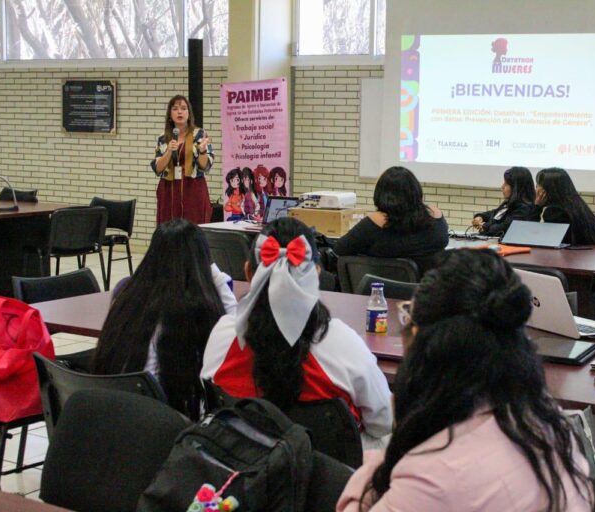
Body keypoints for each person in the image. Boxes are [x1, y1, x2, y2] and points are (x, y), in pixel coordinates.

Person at [337, 250, 592, 511]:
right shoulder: (551, 425)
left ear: (427, 345)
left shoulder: (434, 475)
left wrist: (370, 470)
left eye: (407, 317)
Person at [201, 217, 393, 448]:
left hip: (244, 469)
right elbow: (382, 423)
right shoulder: (344, 343)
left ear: (248, 273)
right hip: (328, 477)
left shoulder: (223, 334)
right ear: (317, 273)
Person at [91, 219, 237, 421]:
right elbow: (233, 329)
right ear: (201, 262)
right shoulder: (192, 307)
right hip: (160, 426)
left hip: (113, 416)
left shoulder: (126, 294)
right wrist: (213, 272)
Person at [334, 166, 449, 273]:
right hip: (428, 291)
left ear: (381, 194)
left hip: (380, 290)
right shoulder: (436, 218)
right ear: (416, 191)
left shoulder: (373, 223)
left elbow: (339, 250)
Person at [151, 95, 213, 225]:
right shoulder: (163, 138)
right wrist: (168, 151)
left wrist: (202, 151)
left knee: (193, 229)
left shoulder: (200, 134)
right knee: (168, 229)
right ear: (170, 114)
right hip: (169, 190)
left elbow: (205, 166)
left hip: (193, 189)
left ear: (189, 114)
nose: (180, 112)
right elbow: (157, 168)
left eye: (184, 108)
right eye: (175, 109)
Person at [534, 167, 595, 246]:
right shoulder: (578, 205)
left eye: (538, 185)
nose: (536, 189)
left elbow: (534, 236)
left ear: (549, 190)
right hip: (589, 254)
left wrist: (537, 207)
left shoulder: (555, 212)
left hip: (573, 256)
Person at [472, 166, 539, 236]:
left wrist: (485, 226)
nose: (502, 187)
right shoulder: (510, 203)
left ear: (516, 188)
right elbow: (494, 214)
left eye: (506, 184)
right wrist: (480, 217)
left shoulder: (523, 208)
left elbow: (504, 228)